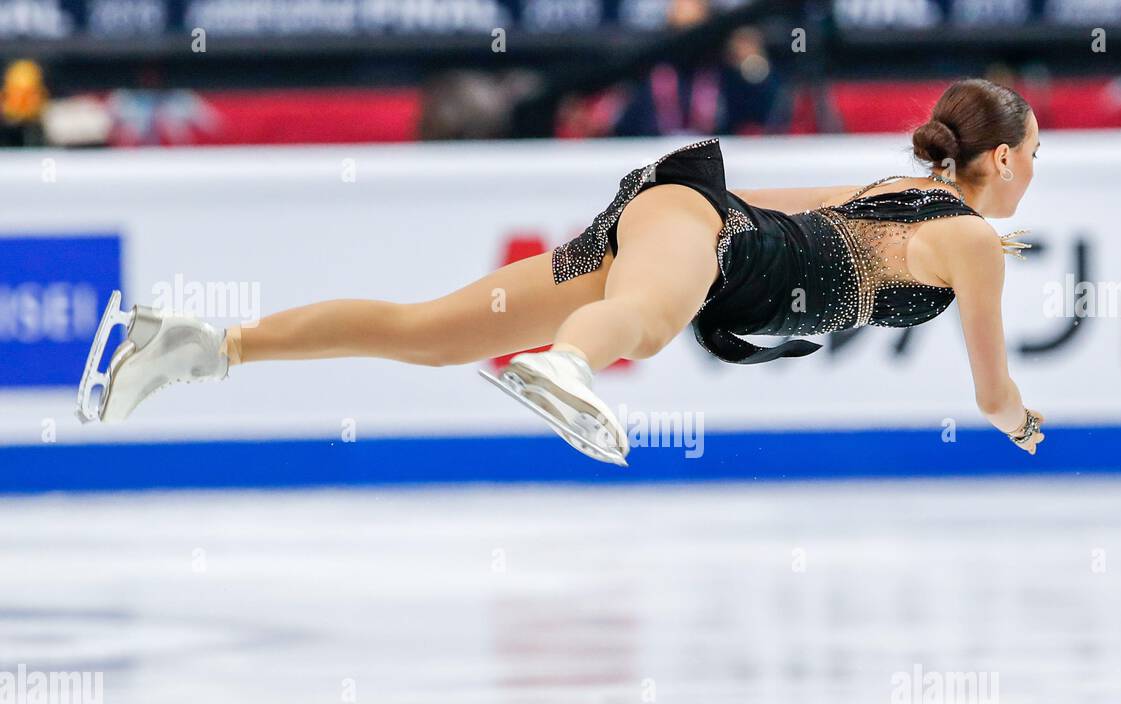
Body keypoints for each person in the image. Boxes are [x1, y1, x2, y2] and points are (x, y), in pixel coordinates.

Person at [77, 78, 1044, 464]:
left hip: (681, 218)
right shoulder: (967, 241)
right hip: (708, 238)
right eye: (1033, 154)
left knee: (426, 336)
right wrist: (1024, 422)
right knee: (651, 321)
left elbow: (786, 203)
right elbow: (992, 392)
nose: (1034, 173)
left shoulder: (891, 188)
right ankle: (567, 367)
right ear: (998, 159)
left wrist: (697, 226)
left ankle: (203, 344)